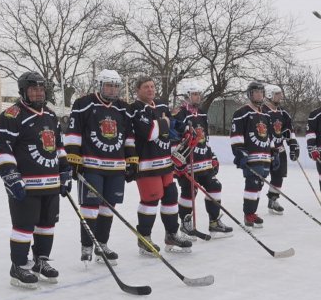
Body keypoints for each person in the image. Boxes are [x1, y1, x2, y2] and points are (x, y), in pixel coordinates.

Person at [0, 72, 72, 288]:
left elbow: (58, 147)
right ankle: (18, 266)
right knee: (24, 226)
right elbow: (2, 151)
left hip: (50, 183)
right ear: (23, 91)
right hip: (26, 184)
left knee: (47, 225)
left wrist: (65, 171)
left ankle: (41, 261)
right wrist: (11, 177)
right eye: (33, 89)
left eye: (41, 88)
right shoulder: (11, 116)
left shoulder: (50, 115)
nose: (38, 92)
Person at [64, 69, 135, 264]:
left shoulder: (123, 108)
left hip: (116, 168)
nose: (112, 90)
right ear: (100, 85)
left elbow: (128, 137)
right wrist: (73, 161)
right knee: (89, 208)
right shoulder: (83, 104)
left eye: (115, 86)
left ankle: (101, 245)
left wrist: (132, 161)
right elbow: (73, 134)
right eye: (108, 85)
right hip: (92, 166)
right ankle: (86, 246)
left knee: (108, 208)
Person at [127, 76, 192, 254]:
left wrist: (182, 128)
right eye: (146, 87)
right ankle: (144, 238)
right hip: (147, 163)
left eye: (152, 86)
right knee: (151, 199)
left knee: (171, 197)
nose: (150, 89)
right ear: (138, 90)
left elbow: (170, 129)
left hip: (165, 162)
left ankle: (171, 234)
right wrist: (164, 124)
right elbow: (148, 132)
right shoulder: (135, 109)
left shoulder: (162, 106)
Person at [172, 81, 232, 239]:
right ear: (186, 95)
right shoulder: (179, 114)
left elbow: (204, 139)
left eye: (199, 94)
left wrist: (211, 155)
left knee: (215, 186)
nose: (198, 97)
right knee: (189, 191)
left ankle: (214, 223)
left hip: (202, 161)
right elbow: (173, 139)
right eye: (194, 94)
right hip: (187, 163)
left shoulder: (203, 114)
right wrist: (177, 162)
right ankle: (185, 224)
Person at [230, 81, 273, 227]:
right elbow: (236, 135)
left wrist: (274, 152)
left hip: (265, 155)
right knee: (252, 184)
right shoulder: (242, 112)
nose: (259, 94)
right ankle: (248, 214)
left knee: (260, 184)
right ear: (250, 94)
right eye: (256, 92)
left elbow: (269, 135)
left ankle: (252, 212)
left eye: (261, 92)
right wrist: (240, 153)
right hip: (251, 155)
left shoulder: (266, 114)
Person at [261, 85, 299, 215]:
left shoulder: (283, 113)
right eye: (277, 94)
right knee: (259, 178)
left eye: (280, 94)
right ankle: (251, 203)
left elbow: (289, 130)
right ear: (270, 95)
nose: (280, 96)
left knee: (278, 177)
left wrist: (293, 144)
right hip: (265, 151)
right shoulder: (262, 111)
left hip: (279, 150)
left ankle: (273, 199)